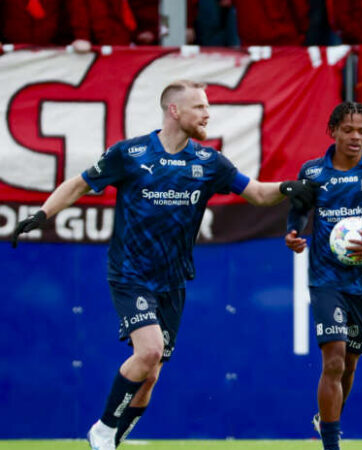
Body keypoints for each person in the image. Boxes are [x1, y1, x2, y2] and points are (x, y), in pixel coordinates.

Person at [11, 80, 317, 450]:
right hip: (131, 273)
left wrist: (286, 188)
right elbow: (79, 184)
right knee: (149, 351)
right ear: (174, 110)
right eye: (199, 107)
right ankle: (103, 430)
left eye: (207, 107)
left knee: (151, 376)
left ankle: (111, 441)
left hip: (172, 281)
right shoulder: (131, 153)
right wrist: (42, 214)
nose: (207, 114)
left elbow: (256, 193)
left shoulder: (209, 162)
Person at [284, 102, 362, 450]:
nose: (356, 137)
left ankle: (327, 420)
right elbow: (298, 214)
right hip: (325, 279)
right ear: (333, 131)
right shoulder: (313, 172)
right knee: (335, 358)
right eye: (349, 130)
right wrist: (293, 233)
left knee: (349, 365)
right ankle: (331, 444)